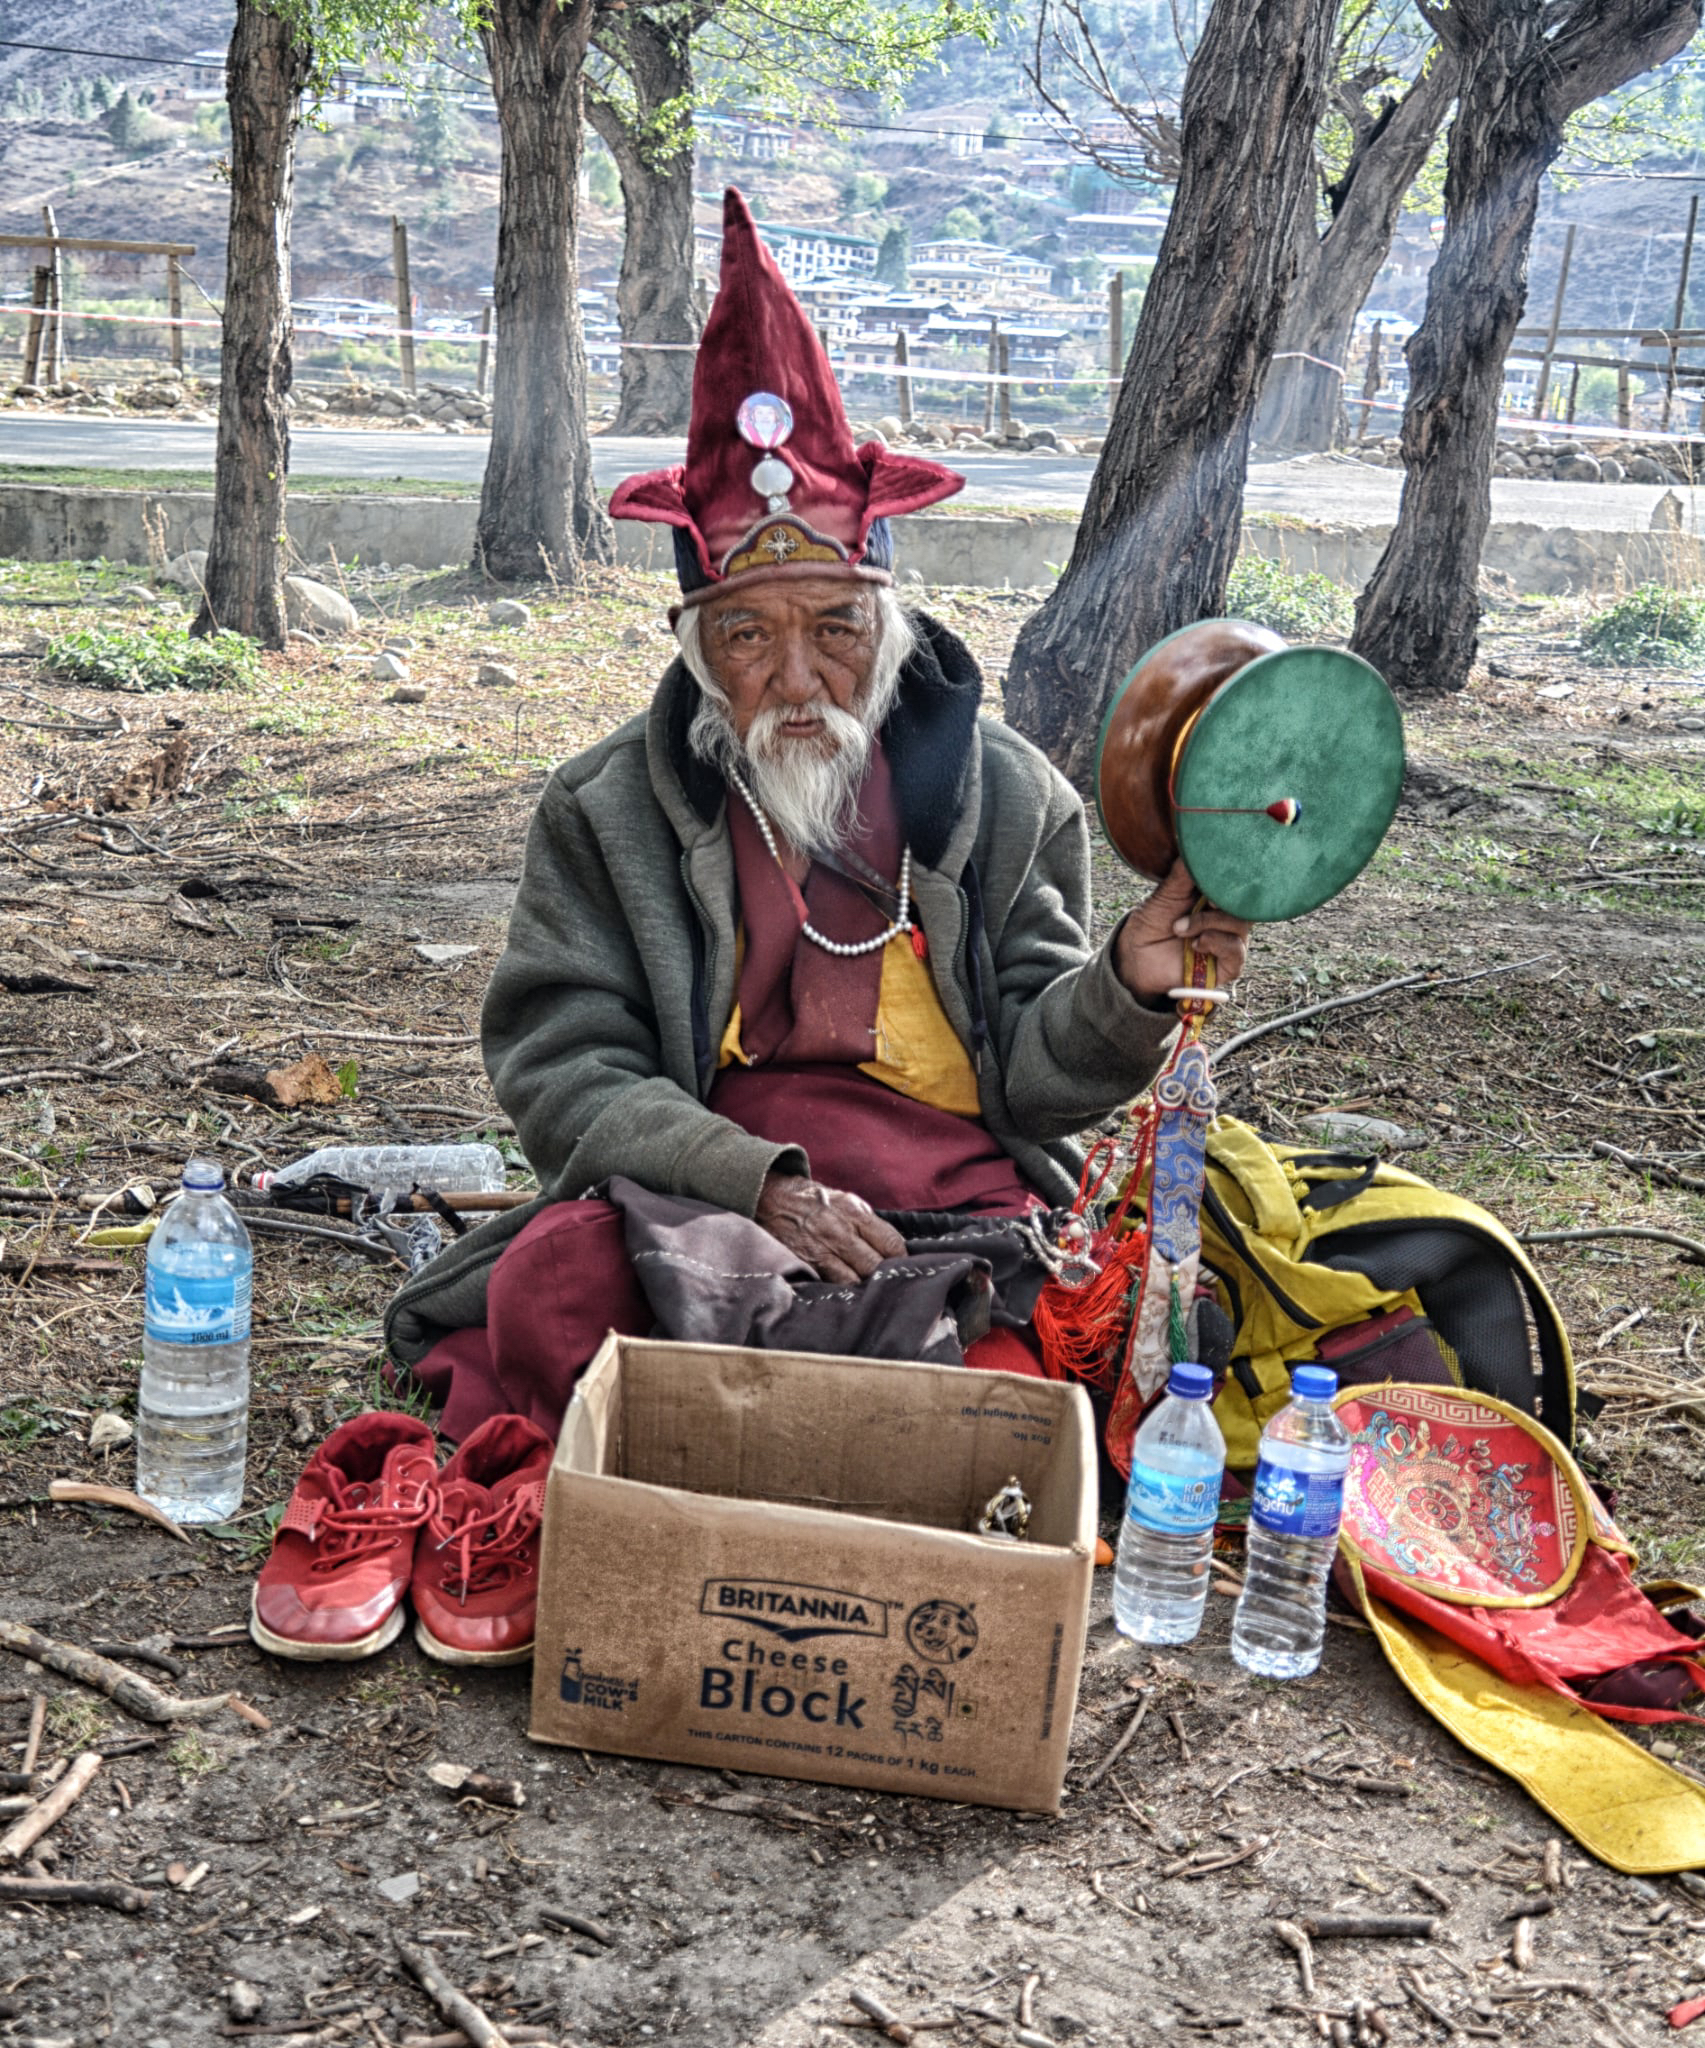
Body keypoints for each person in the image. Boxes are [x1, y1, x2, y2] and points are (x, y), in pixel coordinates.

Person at [387, 187, 1251, 1441]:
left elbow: (1037, 1078)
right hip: (707, 1196)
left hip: (949, 1208)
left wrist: (1125, 982)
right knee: (551, 1285)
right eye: (747, 636)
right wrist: (761, 1185)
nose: (797, 680)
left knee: (1003, 1370)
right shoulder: (606, 808)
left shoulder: (1007, 795)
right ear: (697, 651)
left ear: (889, 630)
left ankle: (751, 1427)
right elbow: (563, 1069)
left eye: (835, 629)